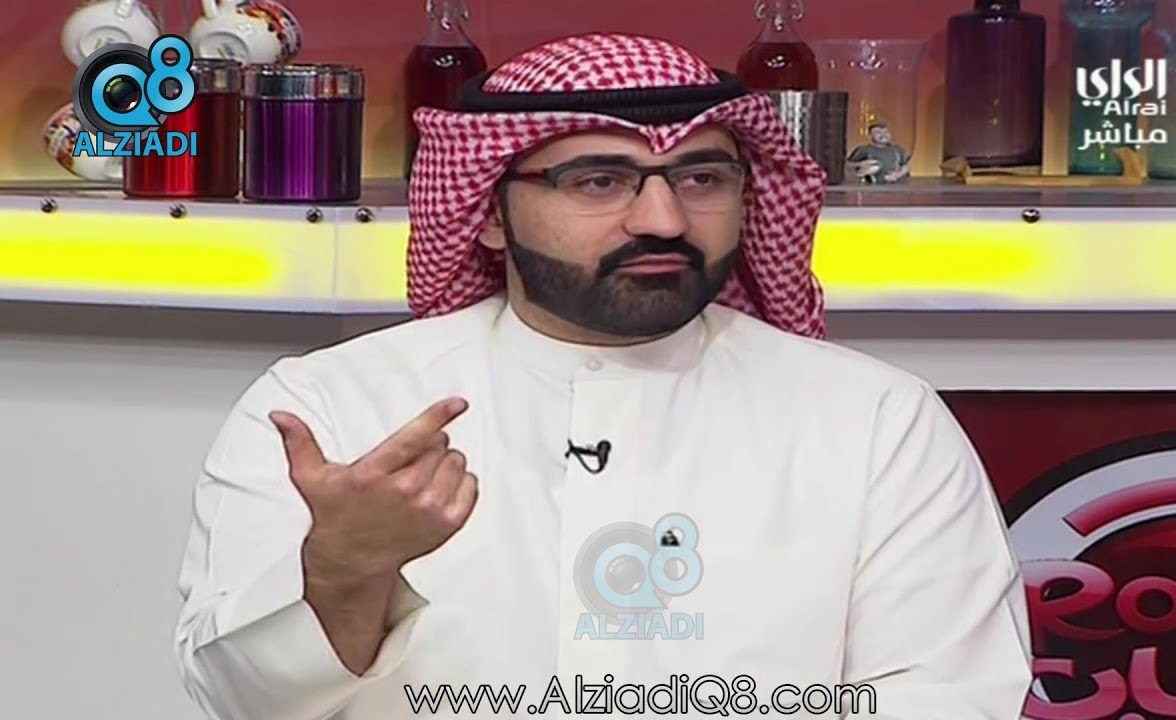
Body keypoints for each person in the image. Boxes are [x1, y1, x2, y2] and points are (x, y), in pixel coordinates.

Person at [172, 33, 1031, 720]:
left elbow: (949, 695)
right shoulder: (331, 406)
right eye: (598, 180)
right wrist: (345, 573)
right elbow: (241, 703)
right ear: (489, 213)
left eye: (702, 177)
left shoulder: (874, 418)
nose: (663, 219)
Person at [847, 123, 911, 184]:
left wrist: (897, 175)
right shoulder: (864, 150)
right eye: (878, 132)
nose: (883, 135)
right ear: (870, 136)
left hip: (897, 187)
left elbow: (906, 166)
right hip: (871, 187)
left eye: (886, 132)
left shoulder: (897, 149)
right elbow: (847, 165)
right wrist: (860, 164)